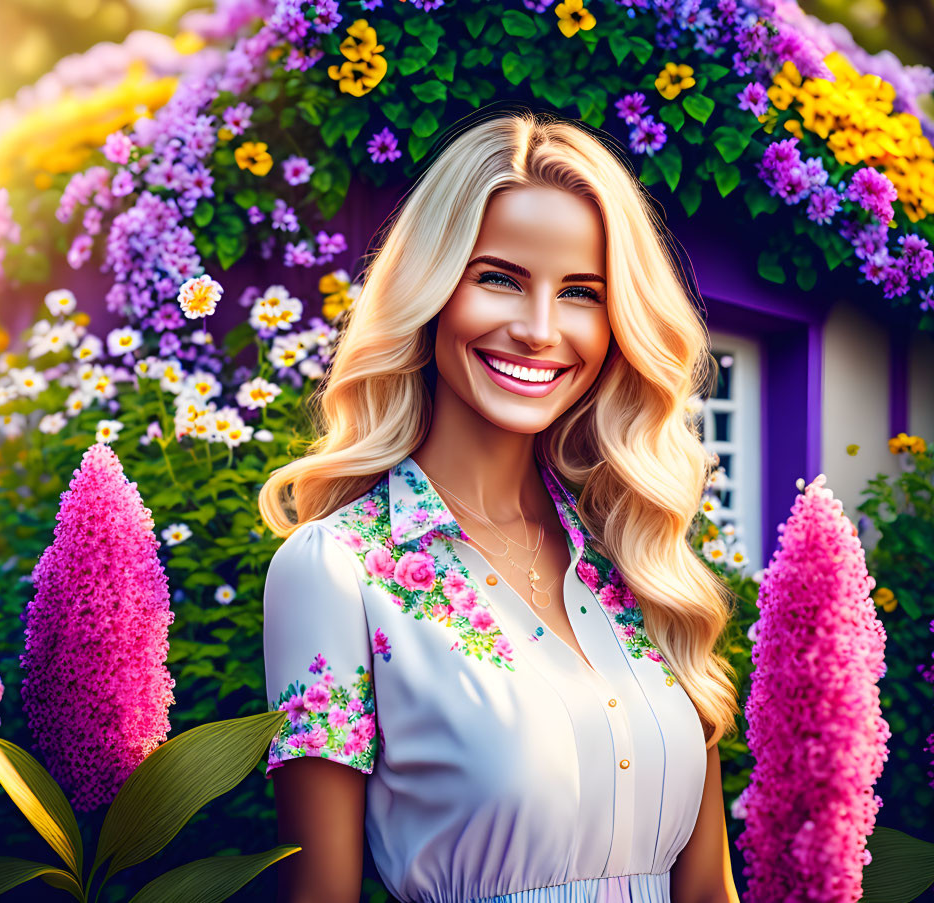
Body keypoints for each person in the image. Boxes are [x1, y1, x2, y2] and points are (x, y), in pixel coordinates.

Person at [258, 108, 742, 903]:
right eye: (498, 277)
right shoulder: (333, 572)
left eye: (581, 292)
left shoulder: (638, 555)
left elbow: (707, 891)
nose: (539, 329)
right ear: (431, 288)